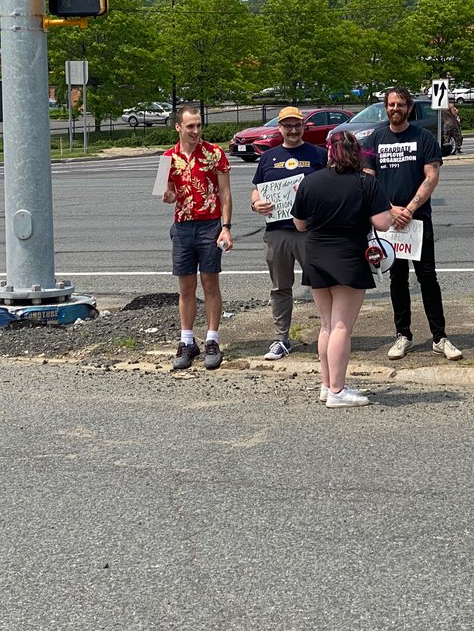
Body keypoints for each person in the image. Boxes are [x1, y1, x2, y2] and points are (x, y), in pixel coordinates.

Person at [363, 86, 463, 362]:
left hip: (418, 220)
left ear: (409, 108)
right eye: (391, 104)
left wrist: (409, 209)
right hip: (388, 222)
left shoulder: (424, 138)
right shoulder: (374, 139)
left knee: (427, 277)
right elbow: (368, 179)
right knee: (397, 279)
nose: (395, 109)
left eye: (400, 104)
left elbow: (431, 176)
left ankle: (440, 337)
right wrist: (389, 208)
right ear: (386, 108)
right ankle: (402, 335)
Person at [292, 131, 392, 408]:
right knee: (341, 326)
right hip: (348, 255)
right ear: (356, 152)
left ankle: (328, 385)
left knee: (326, 325)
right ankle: (337, 390)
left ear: (330, 152)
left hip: (315, 254)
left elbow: (299, 224)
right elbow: (383, 223)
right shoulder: (366, 182)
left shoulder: (310, 181)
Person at [251, 106, 328, 360]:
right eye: (288, 125)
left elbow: (331, 186)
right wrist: (256, 204)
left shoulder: (319, 155)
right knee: (280, 287)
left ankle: (328, 337)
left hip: (310, 232)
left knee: (321, 284)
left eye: (297, 125)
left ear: (304, 127)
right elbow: (257, 190)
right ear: (280, 128)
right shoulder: (268, 157)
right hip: (277, 232)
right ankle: (281, 339)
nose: (293, 130)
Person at [161, 105, 233, 371]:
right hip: (182, 227)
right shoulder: (167, 158)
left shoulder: (214, 153)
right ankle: (187, 340)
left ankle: (212, 340)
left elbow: (225, 193)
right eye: (190, 126)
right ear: (178, 127)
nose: (195, 130)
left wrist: (226, 227)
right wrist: (168, 195)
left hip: (210, 225)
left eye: (198, 125)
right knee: (186, 287)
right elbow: (167, 193)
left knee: (210, 282)